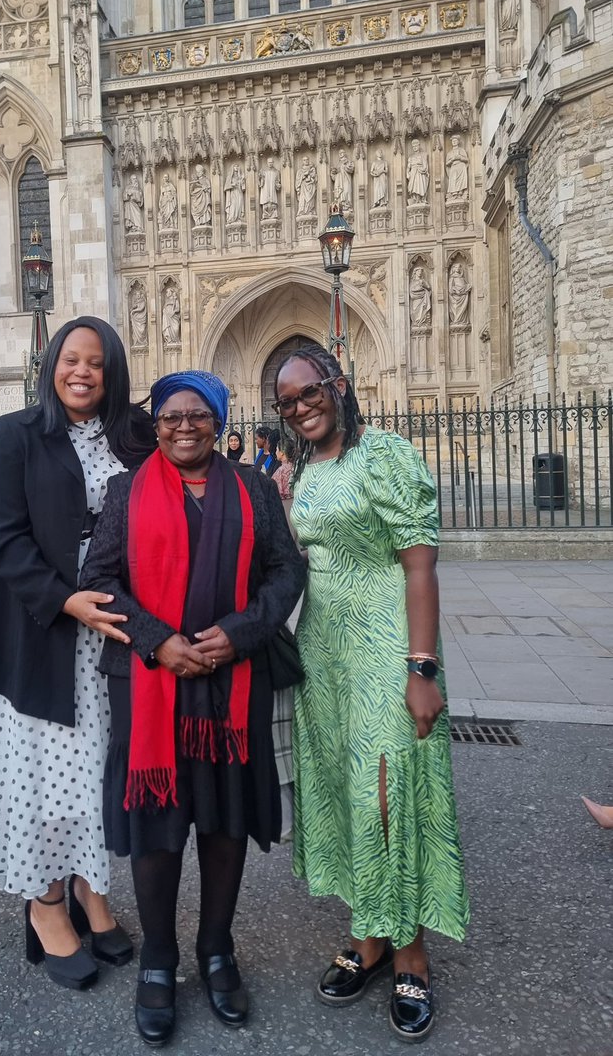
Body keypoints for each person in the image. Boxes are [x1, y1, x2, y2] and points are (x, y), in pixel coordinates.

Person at [80, 370, 305, 1046]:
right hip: (152, 682)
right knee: (157, 825)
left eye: (198, 415)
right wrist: (158, 643)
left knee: (223, 819)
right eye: (171, 416)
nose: (183, 426)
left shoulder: (254, 489)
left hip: (234, 681)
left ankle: (216, 949)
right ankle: (158, 957)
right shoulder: (126, 492)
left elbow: (285, 569)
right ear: (157, 425)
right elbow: (99, 582)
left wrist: (240, 633)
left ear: (218, 422)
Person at [274, 342, 469, 1043]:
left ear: (339, 385)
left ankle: (410, 948)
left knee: (391, 793)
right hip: (324, 651)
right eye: (287, 401)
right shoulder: (297, 471)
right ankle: (369, 932)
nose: (300, 408)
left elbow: (420, 564)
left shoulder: (386, 454)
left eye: (309, 391)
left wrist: (422, 668)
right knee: (344, 789)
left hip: (389, 647)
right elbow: (300, 560)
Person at [0, 317, 156, 992]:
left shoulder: (134, 435)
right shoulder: (16, 433)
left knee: (96, 773)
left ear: (112, 371)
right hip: (40, 631)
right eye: (70, 359)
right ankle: (45, 902)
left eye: (96, 363)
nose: (82, 372)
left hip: (108, 633)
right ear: (51, 364)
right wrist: (65, 600)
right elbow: (4, 538)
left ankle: (90, 887)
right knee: (42, 776)